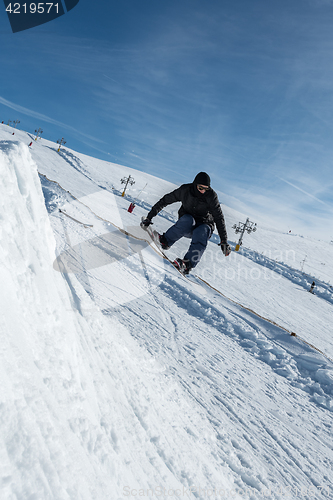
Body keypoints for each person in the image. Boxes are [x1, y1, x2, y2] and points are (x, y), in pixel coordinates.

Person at [141, 172, 231, 274]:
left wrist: (224, 240)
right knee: (188, 220)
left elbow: (219, 217)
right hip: (187, 224)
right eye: (201, 188)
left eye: (206, 189)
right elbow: (165, 200)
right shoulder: (185, 190)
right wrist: (149, 217)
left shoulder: (211, 196)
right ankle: (165, 241)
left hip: (204, 225)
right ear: (195, 184)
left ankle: (187, 264)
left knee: (203, 230)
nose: (203, 191)